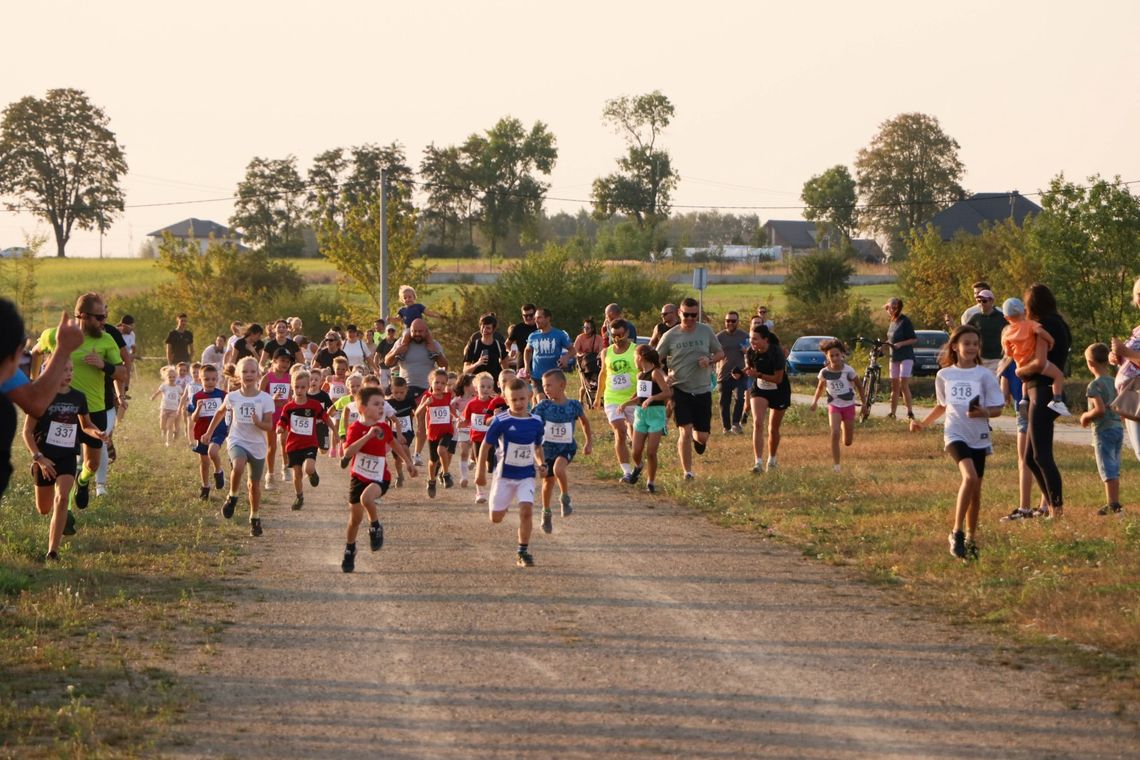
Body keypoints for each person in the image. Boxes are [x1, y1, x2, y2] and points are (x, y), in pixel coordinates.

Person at [909, 325, 1003, 560]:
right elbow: (942, 405)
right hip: (955, 433)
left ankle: (971, 538)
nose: (971, 347)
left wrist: (984, 411)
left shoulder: (984, 375)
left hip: (979, 436)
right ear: (955, 347)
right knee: (969, 477)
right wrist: (923, 423)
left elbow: (998, 409)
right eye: (967, 343)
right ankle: (957, 532)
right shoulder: (944, 375)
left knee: (976, 492)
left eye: (975, 343)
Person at [35, 293, 126, 512]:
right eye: (100, 317)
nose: (104, 322)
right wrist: (35, 380)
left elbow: (123, 373)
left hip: (93, 411)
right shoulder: (55, 335)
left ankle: (83, 481)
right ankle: (62, 508)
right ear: (83, 316)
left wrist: (103, 365)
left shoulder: (106, 340)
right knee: (61, 462)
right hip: (60, 411)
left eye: (104, 317)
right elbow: (36, 352)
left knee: (92, 464)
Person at [21, 360, 107, 557]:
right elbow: (26, 432)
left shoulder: (78, 397)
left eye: (70, 369)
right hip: (44, 456)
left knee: (62, 498)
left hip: (68, 455)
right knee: (44, 509)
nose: (68, 373)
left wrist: (97, 434)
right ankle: (38, 471)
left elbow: (86, 425)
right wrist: (38, 457)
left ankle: (53, 551)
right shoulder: (41, 397)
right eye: (63, 369)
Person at [1, 304, 84, 501]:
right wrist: (63, 348)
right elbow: (36, 404)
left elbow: (36, 403)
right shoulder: (3, 408)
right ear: (16, 351)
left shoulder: (7, 373)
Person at [340, 386, 416, 573]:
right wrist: (367, 435)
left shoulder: (383, 427)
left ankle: (375, 526)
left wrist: (408, 462)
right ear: (362, 408)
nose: (381, 408)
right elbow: (348, 452)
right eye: (376, 404)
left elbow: (394, 444)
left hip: (379, 477)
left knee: (367, 499)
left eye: (383, 404)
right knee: (355, 519)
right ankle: (350, 548)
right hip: (358, 477)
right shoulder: (356, 428)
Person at [200, 356, 275, 536]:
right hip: (237, 439)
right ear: (238, 375)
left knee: (254, 486)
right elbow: (219, 413)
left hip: (257, 445)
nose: (248, 375)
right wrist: (209, 433)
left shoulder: (265, 399)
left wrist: (258, 423)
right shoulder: (232, 397)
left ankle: (255, 518)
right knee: (239, 465)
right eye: (244, 371)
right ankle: (232, 496)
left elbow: (269, 425)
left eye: (252, 371)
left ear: (258, 374)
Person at [475, 378, 544, 567]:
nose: (519, 403)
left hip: (526, 475)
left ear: (530, 397)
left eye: (522, 399)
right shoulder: (501, 421)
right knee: (495, 518)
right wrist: (480, 473)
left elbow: (537, 447)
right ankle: (503, 505)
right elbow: (485, 445)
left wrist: (541, 463)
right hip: (504, 476)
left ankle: (523, 551)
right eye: (514, 400)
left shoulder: (536, 422)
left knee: (526, 512)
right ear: (506, 400)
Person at [1015, 284, 1071, 519]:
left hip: (1043, 392)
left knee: (1041, 455)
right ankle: (1049, 504)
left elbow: (1039, 362)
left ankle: (1056, 510)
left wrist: (1020, 372)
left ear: (1031, 305)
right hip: (1047, 391)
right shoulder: (1061, 324)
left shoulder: (1044, 326)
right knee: (1030, 456)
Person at [655, 297, 724, 480]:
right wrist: (664, 377)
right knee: (684, 430)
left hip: (702, 389)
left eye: (694, 315)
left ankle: (698, 438)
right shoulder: (669, 336)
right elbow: (655, 361)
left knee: (702, 437)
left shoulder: (705, 331)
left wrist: (709, 360)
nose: (691, 319)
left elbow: (720, 352)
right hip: (680, 388)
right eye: (687, 315)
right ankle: (688, 472)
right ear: (679, 313)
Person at [532, 369, 592, 531]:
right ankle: (546, 512)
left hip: (566, 446)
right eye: (544, 386)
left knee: (559, 469)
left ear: (562, 385)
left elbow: (585, 423)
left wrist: (588, 442)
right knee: (548, 482)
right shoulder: (543, 406)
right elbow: (530, 420)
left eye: (549, 385)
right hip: (547, 449)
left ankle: (565, 497)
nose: (546, 389)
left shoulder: (574, 405)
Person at [384, 318, 447, 464]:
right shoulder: (401, 342)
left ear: (426, 331)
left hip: (426, 388)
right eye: (414, 331)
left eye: (420, 331)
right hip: (404, 389)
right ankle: (401, 446)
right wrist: (396, 352)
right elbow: (387, 362)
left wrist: (436, 353)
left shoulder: (433, 344)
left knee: (421, 421)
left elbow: (444, 365)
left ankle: (417, 454)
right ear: (410, 331)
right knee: (402, 420)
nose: (417, 334)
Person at [998, 298, 1070, 416]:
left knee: (1026, 380)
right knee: (1058, 375)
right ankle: (1057, 400)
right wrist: (1050, 340)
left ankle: (1024, 400)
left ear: (1006, 318)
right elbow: (1041, 332)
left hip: (1020, 364)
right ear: (1024, 312)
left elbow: (1008, 352)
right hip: (1033, 360)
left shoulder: (1006, 333)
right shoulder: (1030, 324)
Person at [1079, 343, 1124, 516]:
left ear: (1090, 363)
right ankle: (1114, 501)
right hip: (1118, 428)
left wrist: (1085, 416)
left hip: (1103, 429)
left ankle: (1113, 504)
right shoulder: (1114, 382)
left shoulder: (1093, 386)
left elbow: (1099, 410)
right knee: (1115, 465)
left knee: (1107, 467)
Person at [809, 339, 867, 472]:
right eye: (831, 356)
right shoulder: (824, 372)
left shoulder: (849, 371)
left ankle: (844, 428)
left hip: (848, 405)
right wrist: (814, 401)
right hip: (834, 405)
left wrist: (864, 404)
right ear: (827, 357)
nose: (835, 358)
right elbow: (820, 388)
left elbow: (859, 386)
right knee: (834, 433)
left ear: (842, 354)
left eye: (837, 355)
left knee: (847, 441)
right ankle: (836, 466)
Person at [277, 367, 329, 511]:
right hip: (293, 445)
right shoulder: (289, 407)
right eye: (296, 387)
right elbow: (282, 421)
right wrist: (280, 428)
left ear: (307, 387)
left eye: (303, 387)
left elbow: (325, 417)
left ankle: (312, 473)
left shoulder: (314, 405)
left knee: (308, 467)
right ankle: (299, 496)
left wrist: (335, 433)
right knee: (297, 474)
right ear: (292, 388)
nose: (299, 390)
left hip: (310, 443)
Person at [621, 344, 671, 494]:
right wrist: (626, 403)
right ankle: (639, 466)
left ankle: (651, 482)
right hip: (641, 414)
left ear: (640, 357)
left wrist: (652, 398)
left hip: (656, 414)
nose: (634, 360)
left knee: (651, 451)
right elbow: (639, 396)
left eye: (634, 356)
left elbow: (667, 393)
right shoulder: (639, 375)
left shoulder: (656, 373)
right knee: (636, 451)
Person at [743, 325, 791, 473]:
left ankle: (772, 459)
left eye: (755, 339)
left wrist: (758, 375)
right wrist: (740, 372)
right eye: (751, 339)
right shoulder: (751, 352)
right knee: (758, 423)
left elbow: (777, 379)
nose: (752, 342)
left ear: (765, 339)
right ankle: (758, 463)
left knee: (773, 428)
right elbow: (750, 369)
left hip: (779, 390)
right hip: (760, 389)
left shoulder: (776, 353)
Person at [595, 319, 638, 480]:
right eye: (613, 335)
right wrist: (598, 397)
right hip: (612, 397)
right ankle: (626, 471)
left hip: (633, 398)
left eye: (620, 334)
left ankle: (637, 465)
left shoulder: (636, 350)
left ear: (627, 333)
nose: (617, 338)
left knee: (636, 437)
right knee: (619, 431)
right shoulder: (607, 352)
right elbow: (603, 374)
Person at [187, 364, 228, 501]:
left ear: (217, 380)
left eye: (213, 379)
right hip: (202, 431)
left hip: (218, 430)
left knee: (213, 452)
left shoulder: (222, 395)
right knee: (204, 462)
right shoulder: (197, 396)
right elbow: (193, 418)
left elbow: (229, 410)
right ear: (200, 379)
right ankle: (205, 486)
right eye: (206, 379)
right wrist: (198, 409)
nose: (210, 382)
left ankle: (218, 471)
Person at [416, 368, 456, 498]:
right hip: (433, 433)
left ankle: (445, 473)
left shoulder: (448, 396)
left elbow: (454, 401)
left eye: (443, 383)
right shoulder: (427, 397)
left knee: (442, 450)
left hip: (447, 431)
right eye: (437, 382)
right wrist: (425, 404)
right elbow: (417, 413)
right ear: (431, 382)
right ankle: (431, 481)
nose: (439, 385)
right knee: (433, 461)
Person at [522, 308, 574, 400]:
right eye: (535, 318)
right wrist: (526, 366)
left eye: (539, 318)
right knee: (542, 401)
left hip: (554, 376)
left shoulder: (559, 334)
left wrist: (565, 357)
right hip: (537, 376)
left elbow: (573, 350)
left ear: (548, 318)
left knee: (554, 401)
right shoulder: (533, 336)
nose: (536, 320)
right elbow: (527, 350)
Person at [260, 349, 294, 486]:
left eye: (287, 361)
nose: (285, 364)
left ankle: (285, 467)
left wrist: (291, 400)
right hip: (271, 415)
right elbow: (259, 397)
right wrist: (271, 399)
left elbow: (293, 395)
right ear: (274, 361)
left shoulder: (290, 378)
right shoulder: (268, 377)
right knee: (272, 446)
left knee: (285, 442)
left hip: (284, 415)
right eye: (282, 360)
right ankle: (270, 474)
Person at [463, 372, 497, 504]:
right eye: (482, 386)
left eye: (489, 387)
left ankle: (495, 489)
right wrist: (461, 423)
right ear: (476, 388)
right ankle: (480, 492)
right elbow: (466, 420)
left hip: (492, 438)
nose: (486, 389)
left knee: (492, 466)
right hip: (477, 438)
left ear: (492, 388)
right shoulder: (472, 404)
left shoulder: (495, 403)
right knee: (480, 464)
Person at [884, 297, 917, 420]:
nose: (891, 309)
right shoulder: (892, 322)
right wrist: (883, 345)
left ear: (899, 307)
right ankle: (892, 412)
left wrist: (901, 344)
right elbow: (891, 339)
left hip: (906, 355)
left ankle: (909, 411)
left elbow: (913, 339)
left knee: (903, 382)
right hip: (894, 356)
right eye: (889, 307)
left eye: (894, 307)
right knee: (894, 385)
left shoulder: (905, 321)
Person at [716, 311, 748, 434]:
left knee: (740, 399)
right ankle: (726, 428)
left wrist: (746, 351)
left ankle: (736, 424)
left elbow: (752, 353)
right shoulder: (719, 337)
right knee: (724, 402)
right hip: (724, 374)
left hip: (741, 373)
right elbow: (712, 353)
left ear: (738, 322)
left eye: (733, 321)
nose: (730, 323)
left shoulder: (744, 336)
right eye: (728, 320)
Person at [967, 289, 1006, 373]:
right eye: (979, 301)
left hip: (997, 358)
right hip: (980, 358)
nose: (981, 303)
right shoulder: (976, 318)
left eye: (984, 301)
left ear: (991, 301)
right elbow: (964, 333)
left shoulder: (1001, 317)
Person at [573, 318, 604, 406]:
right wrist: (582, 355)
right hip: (583, 363)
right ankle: (580, 400)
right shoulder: (580, 337)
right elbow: (575, 350)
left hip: (595, 363)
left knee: (597, 383)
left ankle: (597, 399)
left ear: (592, 329)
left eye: (588, 328)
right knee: (584, 385)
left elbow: (601, 351)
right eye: (584, 327)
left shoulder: (598, 338)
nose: (585, 329)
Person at [151, 365, 183, 446]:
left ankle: (168, 442)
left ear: (176, 377)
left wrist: (186, 401)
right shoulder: (164, 386)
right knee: (162, 426)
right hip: (164, 409)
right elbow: (158, 392)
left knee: (169, 426)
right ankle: (163, 432)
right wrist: (153, 397)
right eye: (170, 377)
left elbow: (183, 396)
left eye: (174, 377)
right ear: (166, 377)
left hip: (174, 410)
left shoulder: (178, 388)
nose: (172, 379)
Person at [375, 324, 398, 391]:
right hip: (383, 368)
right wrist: (376, 368)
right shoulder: (383, 342)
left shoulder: (397, 342)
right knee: (384, 386)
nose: (390, 332)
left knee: (395, 384)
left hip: (394, 368)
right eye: (389, 331)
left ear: (394, 332)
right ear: (386, 332)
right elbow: (377, 355)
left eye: (392, 331)